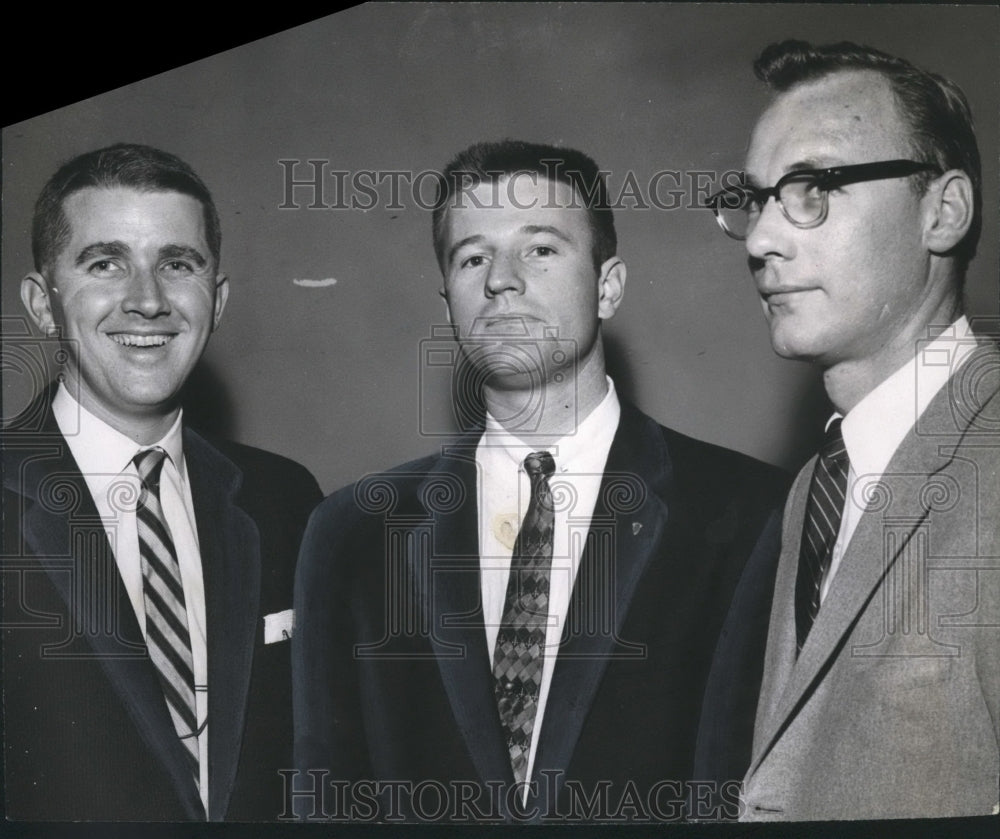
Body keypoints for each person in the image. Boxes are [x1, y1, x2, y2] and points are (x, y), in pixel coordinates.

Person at [292, 140, 788, 823]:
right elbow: (325, 800)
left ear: (608, 285)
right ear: (448, 304)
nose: (501, 279)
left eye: (540, 249)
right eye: (472, 256)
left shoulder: (747, 512)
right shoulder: (353, 531)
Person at [706, 41, 999, 820]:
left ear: (943, 211)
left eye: (812, 187)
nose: (764, 239)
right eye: (758, 198)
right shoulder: (814, 486)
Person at [2, 143, 323, 820]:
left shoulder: (285, 500)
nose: (147, 299)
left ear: (217, 297)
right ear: (41, 302)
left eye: (178, 264)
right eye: (105, 263)